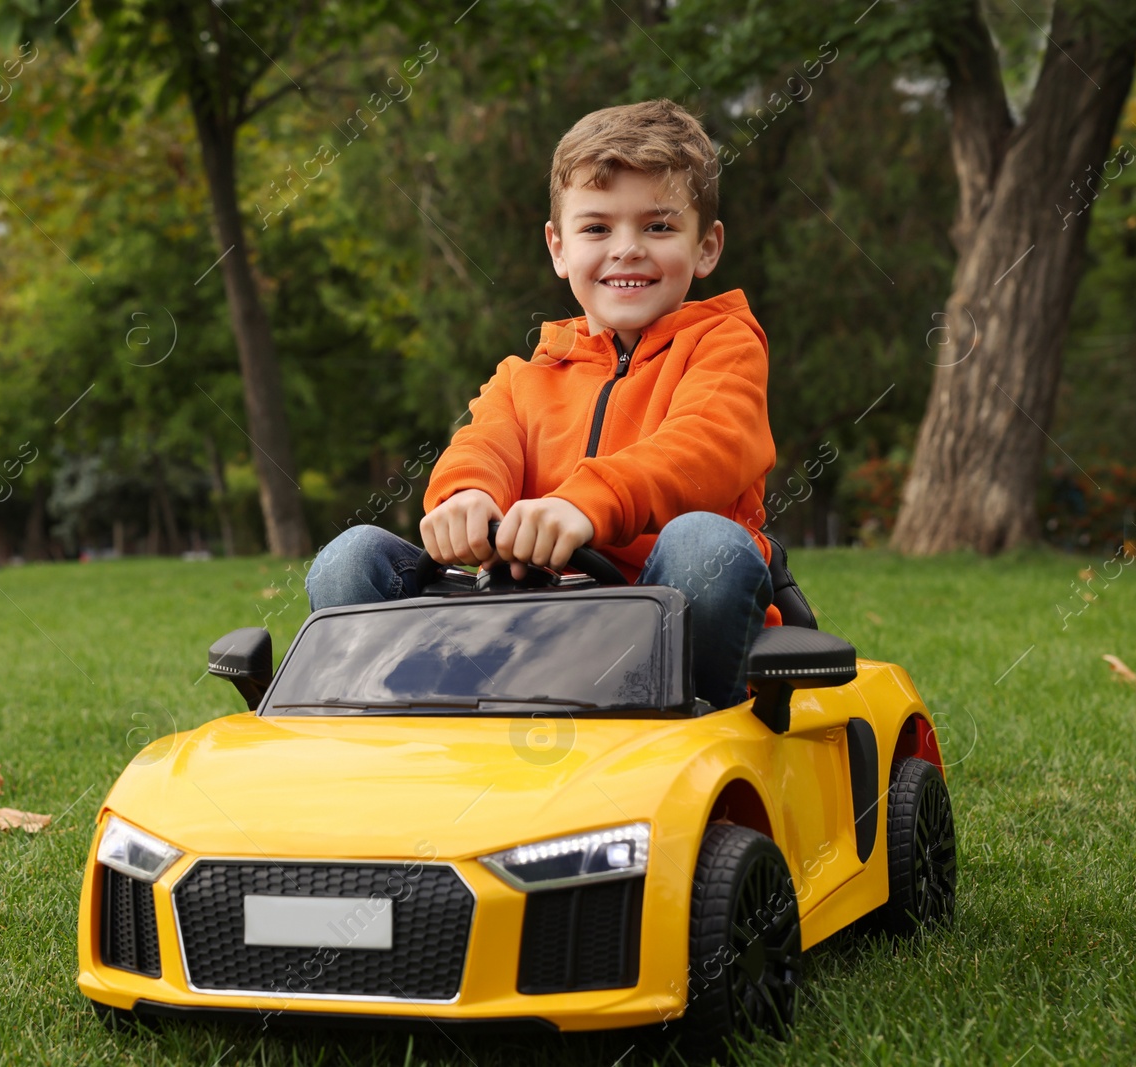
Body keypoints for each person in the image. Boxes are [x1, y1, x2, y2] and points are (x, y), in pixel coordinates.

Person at [306, 99, 782, 709]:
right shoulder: (524, 376)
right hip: (523, 640)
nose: (628, 249)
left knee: (706, 546)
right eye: (597, 228)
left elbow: (705, 446)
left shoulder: (725, 344)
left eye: (659, 226)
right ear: (558, 248)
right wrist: (467, 498)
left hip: (665, 629)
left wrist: (584, 505)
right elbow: (482, 447)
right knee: (352, 558)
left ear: (707, 247)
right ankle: (381, 724)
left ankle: (695, 722)